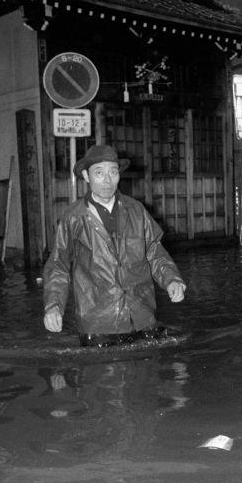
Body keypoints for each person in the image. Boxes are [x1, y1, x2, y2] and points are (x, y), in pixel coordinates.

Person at [43, 145, 186, 347]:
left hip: (142, 316)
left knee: (149, 373)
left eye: (113, 171)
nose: (107, 180)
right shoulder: (73, 218)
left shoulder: (136, 210)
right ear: (86, 176)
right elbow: (59, 264)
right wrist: (53, 306)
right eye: (99, 173)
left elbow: (154, 251)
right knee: (103, 376)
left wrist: (171, 279)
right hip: (98, 324)